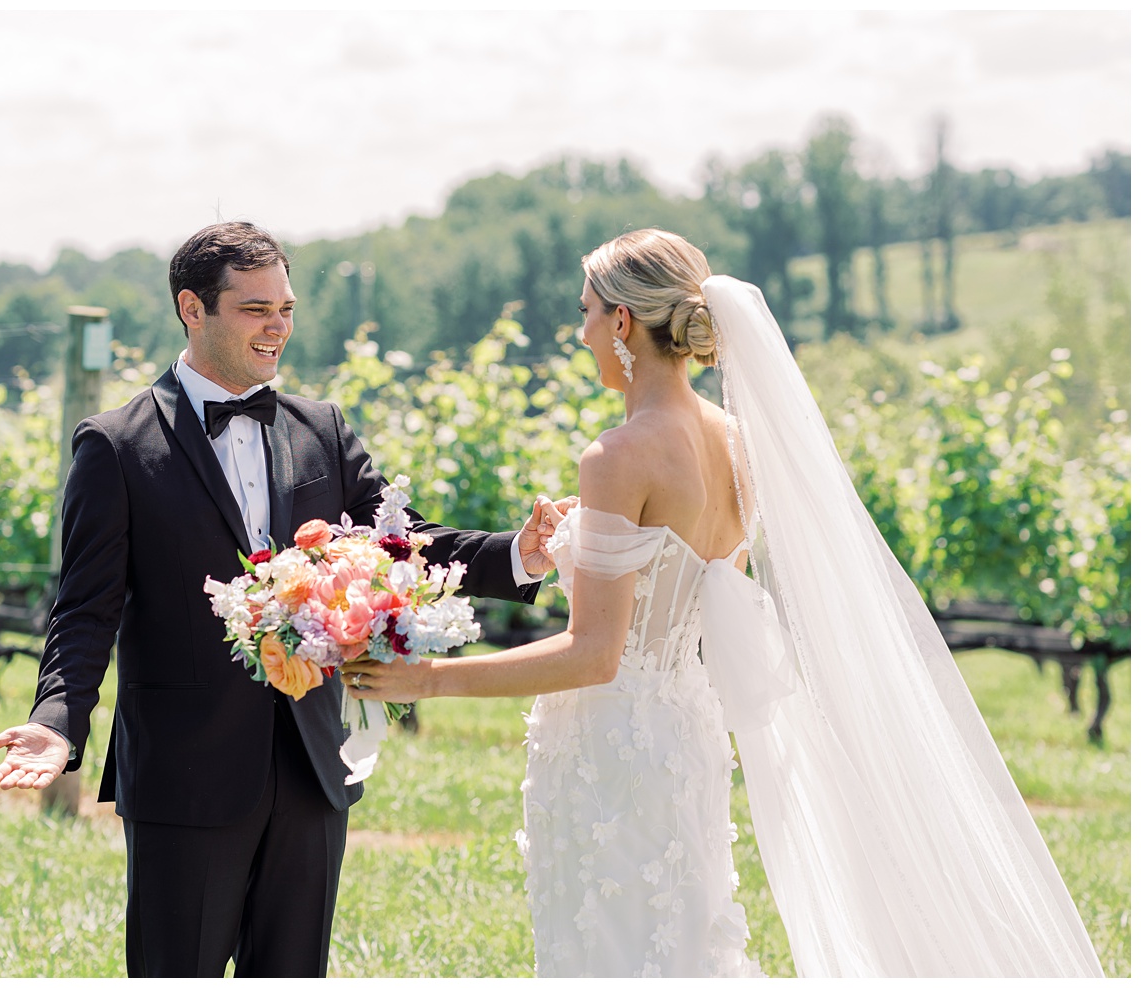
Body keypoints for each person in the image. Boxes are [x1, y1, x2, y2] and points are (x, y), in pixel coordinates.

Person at [343, 229, 1103, 977]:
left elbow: (595, 654)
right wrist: (562, 541)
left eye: (585, 314)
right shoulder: (736, 441)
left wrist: (430, 681)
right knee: (680, 942)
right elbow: (690, 584)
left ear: (621, 322)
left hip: (611, 751)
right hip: (684, 733)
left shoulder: (618, 455)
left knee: (611, 949)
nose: (578, 334)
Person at [0, 222, 567, 976]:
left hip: (312, 765)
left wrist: (519, 553)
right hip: (185, 776)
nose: (277, 326)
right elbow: (84, 612)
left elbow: (404, 541)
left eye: (286, 308)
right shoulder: (116, 446)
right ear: (193, 308)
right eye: (255, 309)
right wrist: (57, 722)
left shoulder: (321, 427)